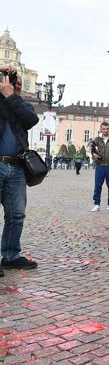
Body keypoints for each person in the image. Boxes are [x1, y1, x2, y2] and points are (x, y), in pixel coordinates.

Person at [0, 67, 40, 274]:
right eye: (9, 79)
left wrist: (11, 96)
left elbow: (31, 121)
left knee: (16, 214)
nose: (14, 83)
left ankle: (10, 255)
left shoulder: (21, 104)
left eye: (17, 81)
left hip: (16, 166)